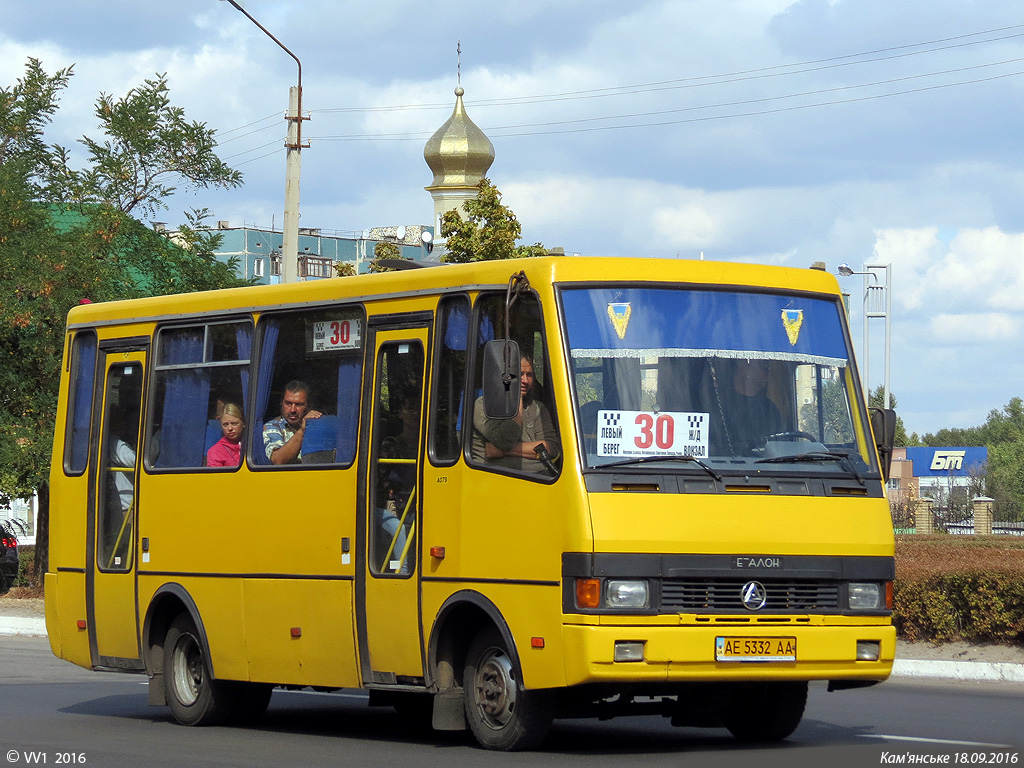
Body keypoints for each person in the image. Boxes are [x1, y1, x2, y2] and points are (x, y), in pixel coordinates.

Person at [472, 354, 559, 474]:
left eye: (529, 375)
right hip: (496, 480)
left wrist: (505, 451)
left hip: (540, 479)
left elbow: (551, 448)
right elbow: (505, 440)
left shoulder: (537, 408)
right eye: (519, 374)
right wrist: (516, 398)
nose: (525, 380)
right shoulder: (483, 406)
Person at [715, 358, 785, 454]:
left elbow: (779, 446)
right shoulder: (717, 405)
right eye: (763, 367)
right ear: (742, 365)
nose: (768, 373)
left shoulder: (770, 409)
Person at [263, 381, 322, 465]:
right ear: (281, 403)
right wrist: (302, 431)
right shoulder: (272, 426)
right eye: (288, 403)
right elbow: (277, 460)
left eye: (299, 404)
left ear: (308, 406)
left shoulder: (317, 425)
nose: (292, 410)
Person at [207, 403, 244, 467]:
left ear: (243, 423)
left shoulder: (253, 446)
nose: (230, 428)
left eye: (234, 423)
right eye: (225, 425)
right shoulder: (215, 452)